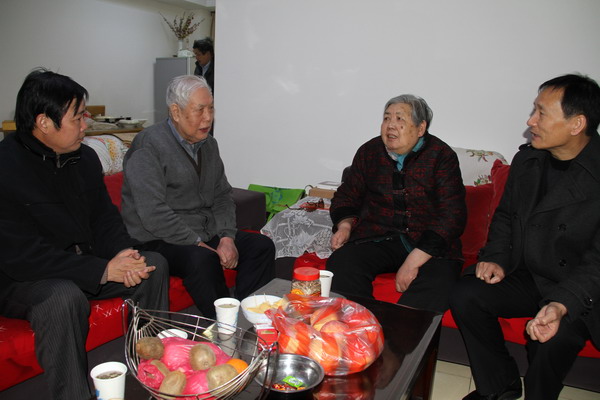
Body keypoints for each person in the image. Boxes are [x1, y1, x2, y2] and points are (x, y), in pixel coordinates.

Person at [0, 69, 170, 400]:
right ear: (44, 122)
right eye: (77, 117)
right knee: (64, 296)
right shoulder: (6, 168)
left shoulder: (84, 158)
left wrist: (124, 255)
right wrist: (103, 270)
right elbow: (23, 256)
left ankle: (153, 372)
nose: (85, 125)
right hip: (23, 279)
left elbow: (104, 220)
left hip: (83, 266)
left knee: (153, 264)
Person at [450, 74, 600, 400]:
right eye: (534, 109)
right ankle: (499, 387)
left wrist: (561, 304)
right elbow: (506, 216)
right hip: (529, 274)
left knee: (551, 340)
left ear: (576, 124)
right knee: (466, 293)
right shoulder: (527, 161)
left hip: (578, 289)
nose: (530, 121)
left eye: (541, 113)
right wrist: (496, 258)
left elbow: (597, 263)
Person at [121, 74, 276, 320]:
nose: (208, 117)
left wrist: (227, 237)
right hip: (157, 238)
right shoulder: (148, 146)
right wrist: (196, 242)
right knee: (203, 259)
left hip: (202, 231)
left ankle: (251, 316)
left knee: (261, 246)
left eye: (211, 108)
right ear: (176, 111)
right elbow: (153, 212)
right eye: (200, 110)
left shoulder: (209, 145)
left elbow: (223, 195)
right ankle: (225, 325)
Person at [327, 94, 467, 313]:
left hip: (430, 244)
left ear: (421, 128)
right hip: (380, 237)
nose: (391, 125)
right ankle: (363, 324)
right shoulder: (369, 152)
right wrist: (345, 225)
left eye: (400, 119)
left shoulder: (441, 156)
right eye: (386, 118)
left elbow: (452, 215)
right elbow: (346, 195)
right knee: (343, 262)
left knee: (440, 281)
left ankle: (403, 331)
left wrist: (414, 260)